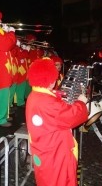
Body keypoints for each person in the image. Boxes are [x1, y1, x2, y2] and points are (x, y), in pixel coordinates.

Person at [25, 58, 88, 186]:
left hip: (43, 152)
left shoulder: (34, 95)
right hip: (55, 155)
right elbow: (72, 116)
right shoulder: (47, 102)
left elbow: (51, 106)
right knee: (62, 181)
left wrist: (58, 95)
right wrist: (81, 102)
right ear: (51, 80)